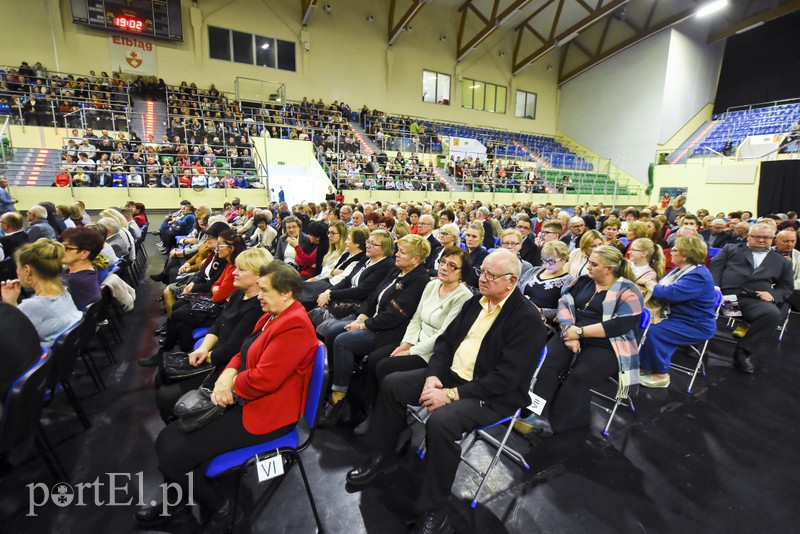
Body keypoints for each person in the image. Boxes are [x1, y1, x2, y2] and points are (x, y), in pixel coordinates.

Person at [345, 249, 547, 533]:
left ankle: (434, 508)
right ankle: (384, 454)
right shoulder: (477, 302)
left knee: (441, 422)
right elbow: (445, 344)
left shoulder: (527, 320)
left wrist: (451, 395)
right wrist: (433, 377)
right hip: (453, 376)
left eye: (491, 275)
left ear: (511, 281)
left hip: (492, 395)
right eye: (482, 272)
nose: (482, 279)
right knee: (393, 383)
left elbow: (506, 379)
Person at [138, 262, 319, 531]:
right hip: (247, 398)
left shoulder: (295, 326)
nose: (259, 295)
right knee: (168, 442)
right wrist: (227, 375)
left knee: (173, 453)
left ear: (287, 292)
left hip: (268, 414)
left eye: (265, 290)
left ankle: (223, 509)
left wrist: (229, 385)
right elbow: (244, 350)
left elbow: (264, 380)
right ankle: (175, 505)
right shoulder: (272, 314)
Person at [516, 246, 644, 436]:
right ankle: (535, 412)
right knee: (547, 364)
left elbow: (619, 325)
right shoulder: (583, 281)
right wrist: (568, 331)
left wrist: (579, 333)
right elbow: (564, 303)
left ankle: (560, 423)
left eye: (593, 264)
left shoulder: (629, 291)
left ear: (609, 269)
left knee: (579, 377)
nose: (588, 267)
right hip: (572, 332)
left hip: (608, 342)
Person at [318, 234, 431, 428]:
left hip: (390, 332)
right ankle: (336, 383)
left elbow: (394, 316)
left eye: (402, 252)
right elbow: (372, 297)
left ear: (416, 260)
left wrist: (363, 325)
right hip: (372, 320)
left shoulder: (419, 280)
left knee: (342, 340)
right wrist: (362, 315)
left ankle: (339, 395)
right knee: (332, 331)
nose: (396, 254)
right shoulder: (397, 270)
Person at [358, 248, 473, 435]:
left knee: (385, 366)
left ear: (462, 273)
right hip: (415, 341)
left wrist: (412, 351)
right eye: (443, 262)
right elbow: (416, 319)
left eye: (452, 266)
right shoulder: (431, 286)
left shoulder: (464, 297)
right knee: (375, 359)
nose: (444, 267)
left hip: (433, 352)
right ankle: (372, 411)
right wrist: (406, 344)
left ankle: (390, 420)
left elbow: (444, 335)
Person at [153, 248, 274, 420]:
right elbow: (219, 324)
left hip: (224, 364)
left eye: (241, 270)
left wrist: (206, 356)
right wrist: (202, 348)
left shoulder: (257, 308)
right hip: (215, 353)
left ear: (258, 277)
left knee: (165, 395)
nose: (235, 273)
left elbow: (232, 350)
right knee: (163, 373)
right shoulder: (240, 293)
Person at [709, 223, 793, 373]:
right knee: (722, 310)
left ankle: (743, 352)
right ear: (748, 236)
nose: (761, 240)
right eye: (756, 237)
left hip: (754, 301)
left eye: (766, 237)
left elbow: (786, 287)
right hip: (726, 297)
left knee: (773, 314)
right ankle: (695, 343)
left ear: (773, 239)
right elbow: (715, 269)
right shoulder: (730, 249)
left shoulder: (781, 261)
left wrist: (773, 295)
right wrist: (716, 289)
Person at [638, 236, 717, 388]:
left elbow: (669, 293)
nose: (671, 252)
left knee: (653, 332)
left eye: (674, 249)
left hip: (695, 324)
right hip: (679, 318)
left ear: (685, 255)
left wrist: (648, 282)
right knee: (643, 326)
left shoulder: (698, 275)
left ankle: (660, 375)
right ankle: (646, 365)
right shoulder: (682, 269)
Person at [1, 239, 82, 347]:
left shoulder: (33, 306)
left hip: (46, 359)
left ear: (27, 270)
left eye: (17, 267)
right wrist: (11, 301)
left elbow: (12, 339)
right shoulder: (63, 290)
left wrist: (9, 303)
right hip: (67, 355)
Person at [523, 240, 572, 321]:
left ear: (563, 259)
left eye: (552, 261)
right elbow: (517, 289)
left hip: (540, 320)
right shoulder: (534, 271)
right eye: (545, 260)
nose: (547, 265)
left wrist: (541, 311)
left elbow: (566, 311)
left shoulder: (569, 281)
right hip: (520, 311)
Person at [61, 227, 105, 310]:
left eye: (67, 248)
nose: (62, 251)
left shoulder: (74, 281)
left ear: (84, 253)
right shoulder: (90, 271)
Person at [464, 222, 489, 288]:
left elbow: (472, 280)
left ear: (481, 239)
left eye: (474, 236)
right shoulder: (463, 253)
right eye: (468, 235)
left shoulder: (484, 255)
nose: (470, 239)